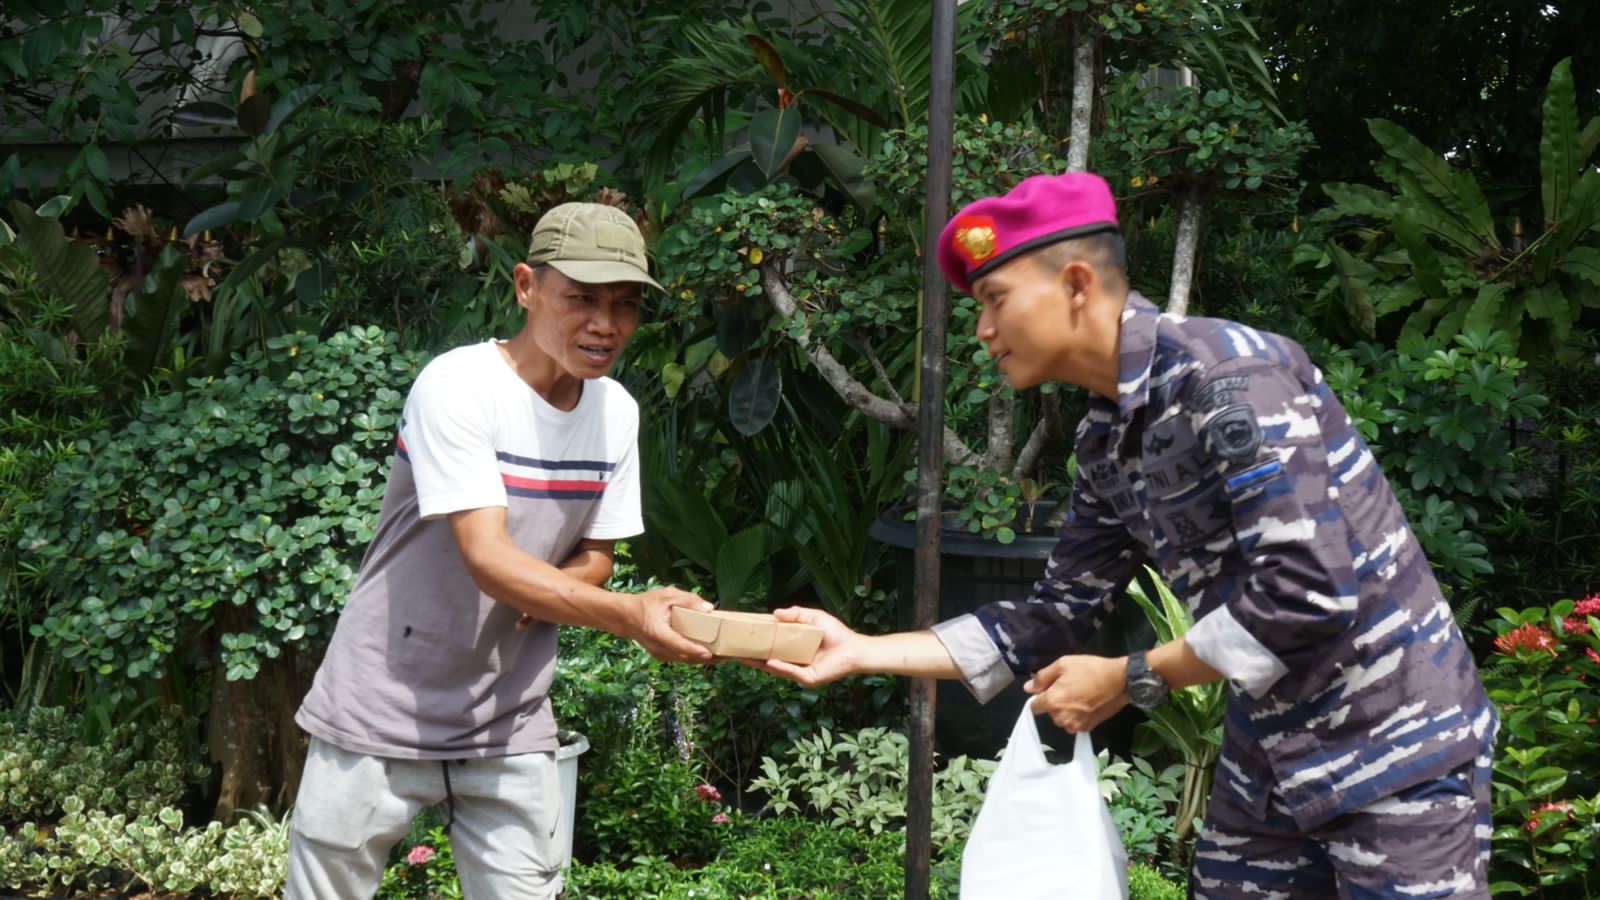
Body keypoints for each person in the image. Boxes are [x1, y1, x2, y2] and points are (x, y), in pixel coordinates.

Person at [756, 172, 1498, 897]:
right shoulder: (1107, 442)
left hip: (1395, 748)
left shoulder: (1229, 377)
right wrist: (858, 650)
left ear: (1077, 284)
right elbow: (1053, 617)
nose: (981, 329)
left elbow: (1308, 591)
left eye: (995, 300)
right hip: (1270, 762)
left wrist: (1130, 677)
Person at [286, 202, 715, 900]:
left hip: (507, 714)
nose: (604, 325)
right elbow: (486, 556)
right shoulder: (458, 386)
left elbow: (596, 555)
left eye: (624, 305)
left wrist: (557, 588)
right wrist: (629, 616)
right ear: (525, 286)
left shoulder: (616, 413)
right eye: (580, 298)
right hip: (382, 699)